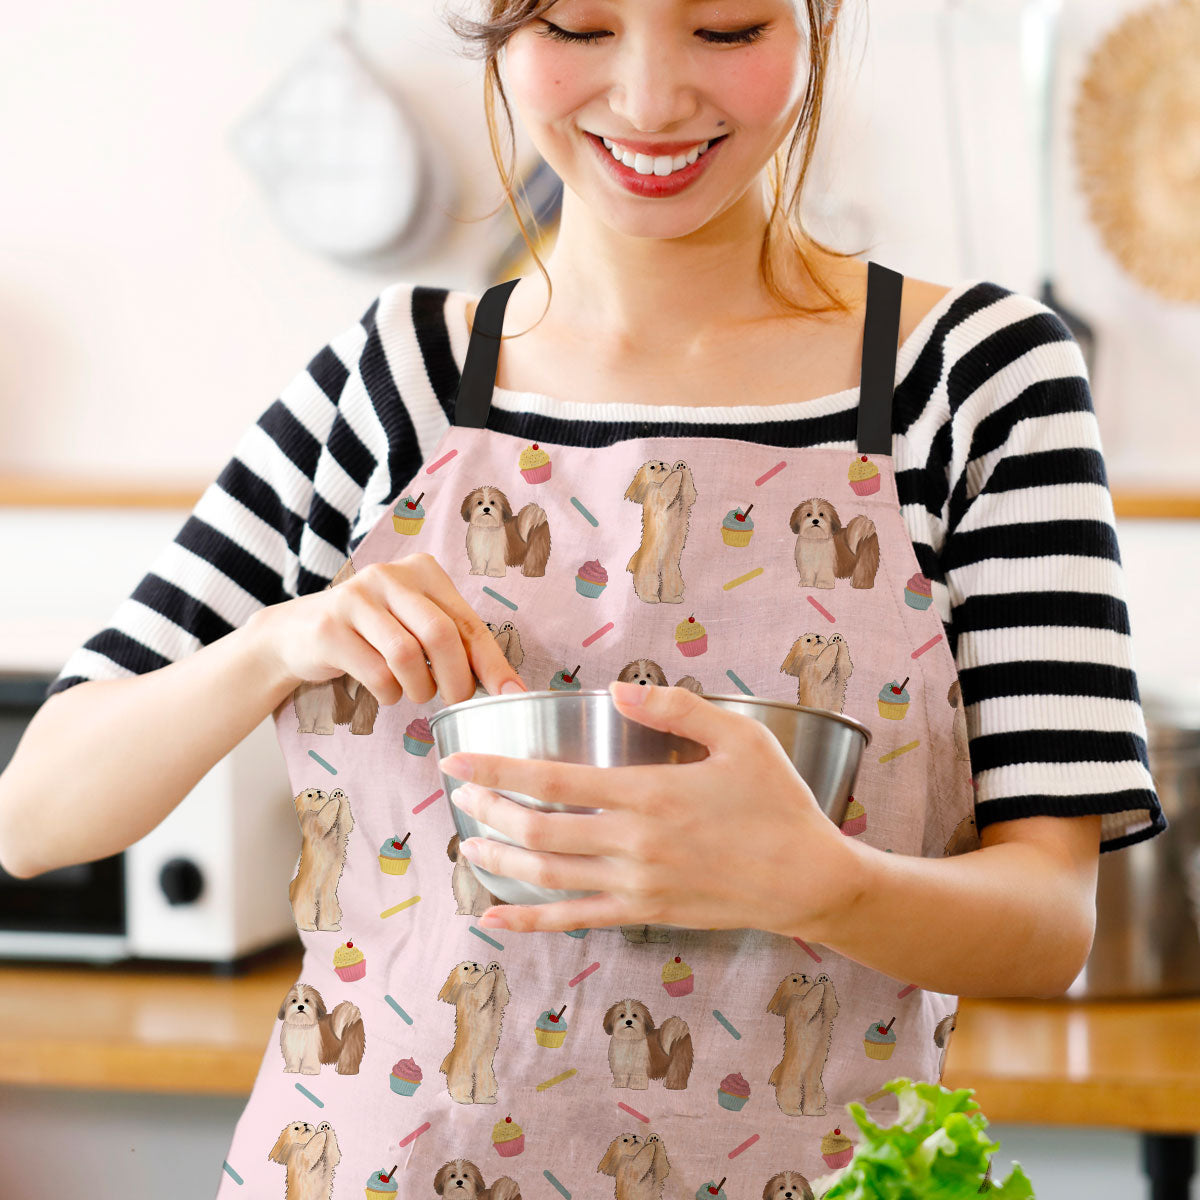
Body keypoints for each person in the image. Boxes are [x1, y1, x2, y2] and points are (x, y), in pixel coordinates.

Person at [0, 1, 1166, 1196]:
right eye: (578, 24)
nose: (653, 100)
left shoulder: (974, 382)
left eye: (726, 28)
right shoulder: (392, 381)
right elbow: (35, 816)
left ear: (815, 21)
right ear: (499, 31)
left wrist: (821, 883)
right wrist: (275, 642)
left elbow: (1047, 922)